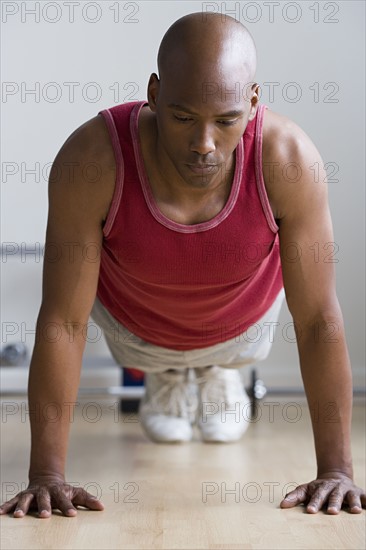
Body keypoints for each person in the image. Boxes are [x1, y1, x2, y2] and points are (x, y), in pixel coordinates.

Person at [1, 11, 365, 519]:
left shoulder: (288, 158)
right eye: (182, 117)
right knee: (161, 379)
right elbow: (63, 320)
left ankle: (215, 371)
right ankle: (170, 372)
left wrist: (337, 471)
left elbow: (318, 320)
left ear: (254, 103)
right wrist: (46, 476)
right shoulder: (93, 158)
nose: (204, 145)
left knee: (228, 372)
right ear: (153, 94)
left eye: (227, 120)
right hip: (136, 335)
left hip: (244, 329)